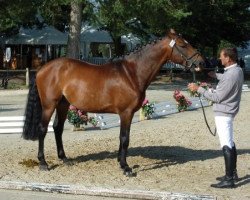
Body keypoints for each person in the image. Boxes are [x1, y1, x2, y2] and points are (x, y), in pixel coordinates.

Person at [188, 47, 244, 188]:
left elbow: (217, 97)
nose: (220, 59)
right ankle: (233, 173)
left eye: (222, 56)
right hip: (228, 111)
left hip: (224, 112)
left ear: (228, 58)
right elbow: (226, 78)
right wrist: (212, 74)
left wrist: (198, 89)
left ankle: (229, 179)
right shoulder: (237, 70)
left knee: (226, 145)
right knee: (230, 142)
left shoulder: (230, 75)